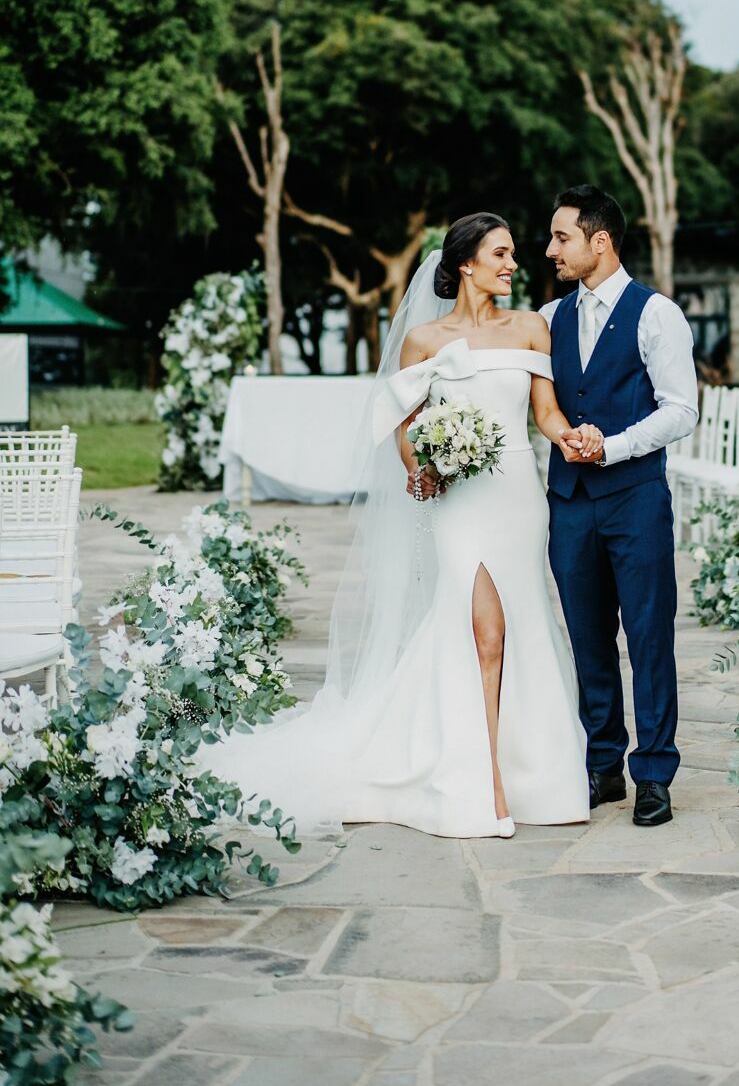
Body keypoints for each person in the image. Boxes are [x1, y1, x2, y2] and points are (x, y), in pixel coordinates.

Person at [203, 213, 590, 839]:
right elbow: (405, 429)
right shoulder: (426, 341)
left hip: (519, 495)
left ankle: (533, 776)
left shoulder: (531, 328)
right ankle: (483, 776)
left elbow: (545, 413)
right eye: (501, 253)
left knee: (522, 624)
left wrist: (575, 438)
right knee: (482, 631)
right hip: (460, 501)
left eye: (514, 254)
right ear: (466, 263)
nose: (513, 264)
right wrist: (424, 467)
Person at [542, 185, 698, 827]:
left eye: (561, 238)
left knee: (648, 635)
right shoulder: (548, 319)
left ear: (598, 241)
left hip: (634, 499)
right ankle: (602, 765)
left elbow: (681, 410)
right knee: (587, 638)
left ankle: (654, 772)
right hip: (569, 503)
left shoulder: (657, 314)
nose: (549, 249)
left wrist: (612, 447)